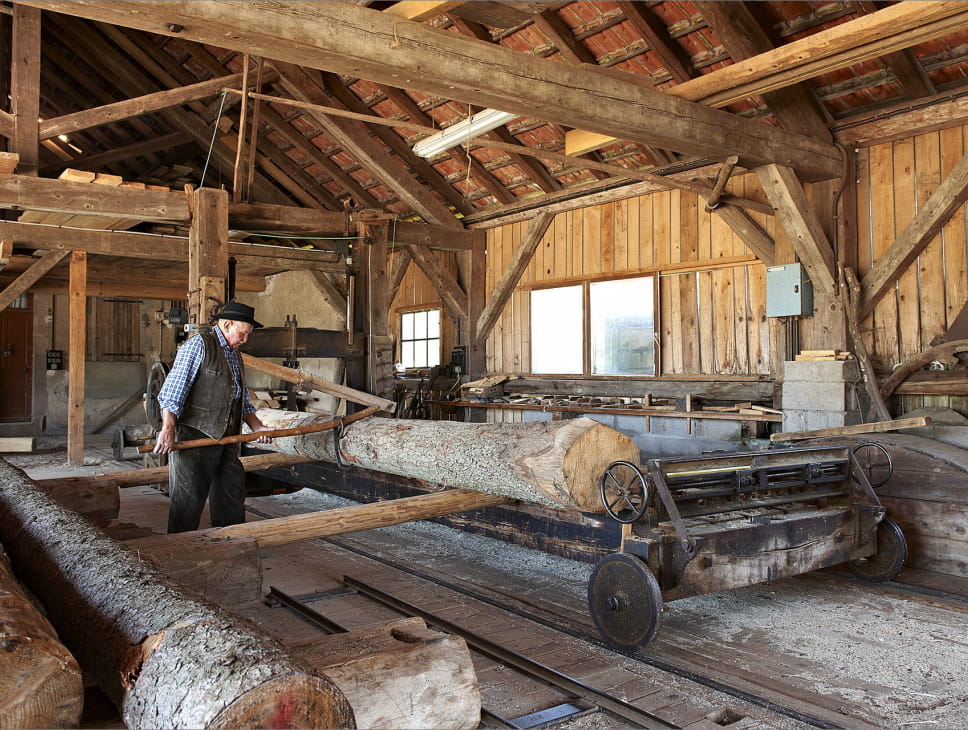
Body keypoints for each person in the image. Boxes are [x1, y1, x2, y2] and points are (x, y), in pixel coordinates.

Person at [153, 301, 275, 533]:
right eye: (243, 333)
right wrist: (168, 428)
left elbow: (242, 400)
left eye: (248, 335)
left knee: (231, 496)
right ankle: (179, 551)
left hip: (228, 441)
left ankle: (231, 545)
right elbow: (171, 392)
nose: (245, 339)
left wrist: (257, 428)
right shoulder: (199, 345)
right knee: (187, 502)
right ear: (227, 325)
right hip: (195, 438)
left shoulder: (235, 355)